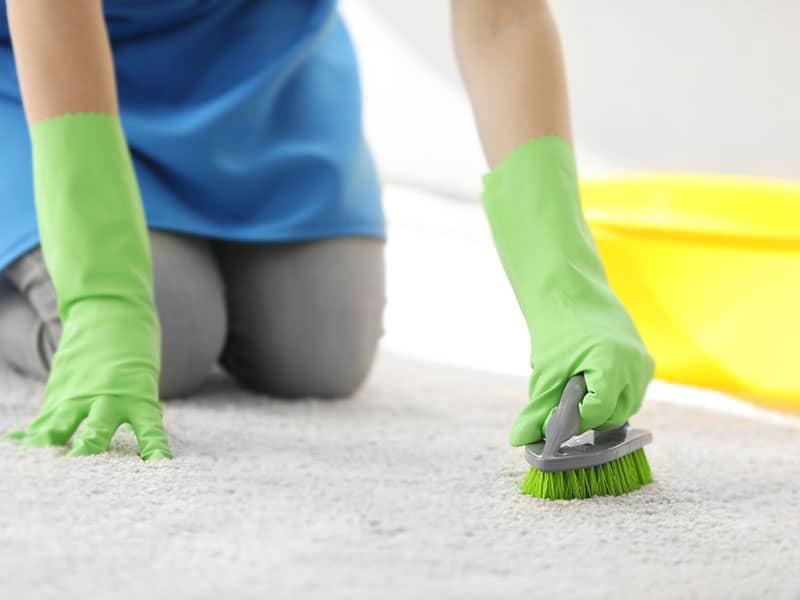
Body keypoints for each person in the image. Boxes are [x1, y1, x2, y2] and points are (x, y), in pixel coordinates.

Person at [0, 0, 653, 460]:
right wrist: (102, 297)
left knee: (319, 347)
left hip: (262, 66)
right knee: (172, 327)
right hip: (40, 75)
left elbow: (503, 17)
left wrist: (567, 292)